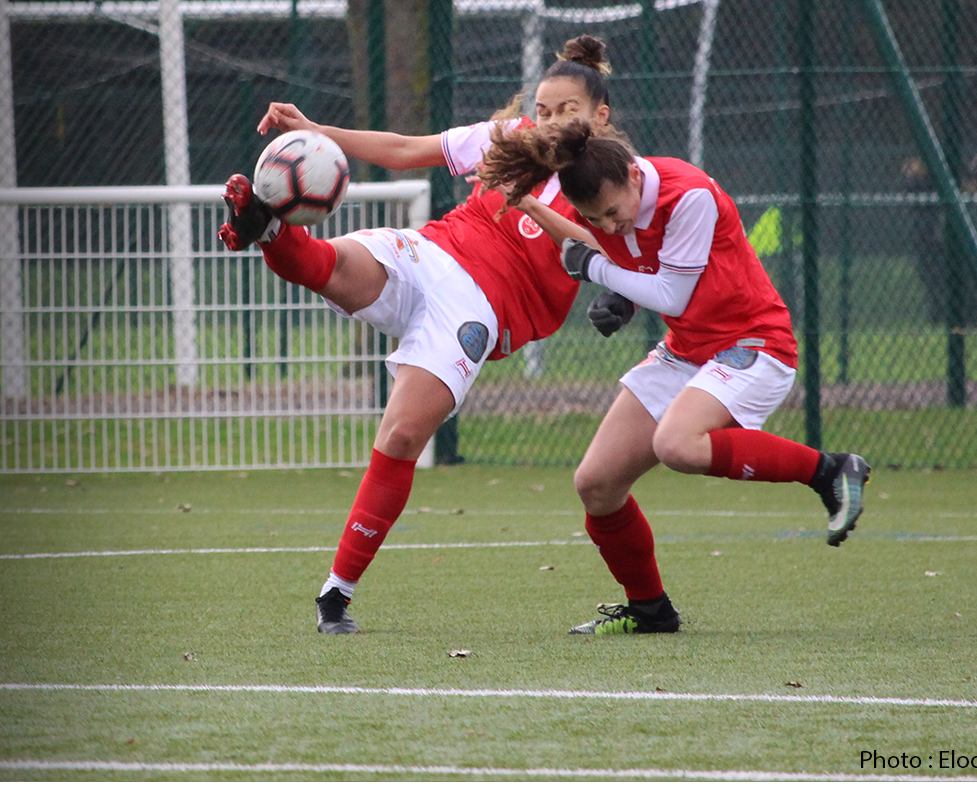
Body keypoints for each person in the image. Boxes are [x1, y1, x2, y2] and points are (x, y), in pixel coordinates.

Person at [217, 36, 621, 634]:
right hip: (431, 250)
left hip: (479, 307)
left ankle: (335, 595)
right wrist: (319, 132)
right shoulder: (509, 138)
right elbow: (406, 150)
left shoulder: (612, 179)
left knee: (403, 434)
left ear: (600, 116)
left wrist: (597, 272)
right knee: (333, 267)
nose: (550, 122)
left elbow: (604, 247)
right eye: (543, 110)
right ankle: (267, 227)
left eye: (568, 111)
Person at [477, 118, 870, 636]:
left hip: (752, 343)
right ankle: (651, 611)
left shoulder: (688, 195)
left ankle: (830, 470)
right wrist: (529, 204)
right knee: (596, 485)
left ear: (634, 177)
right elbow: (600, 247)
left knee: (677, 444)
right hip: (686, 350)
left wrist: (598, 273)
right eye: (596, 218)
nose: (609, 226)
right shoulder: (608, 202)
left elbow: (669, 294)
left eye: (613, 213)